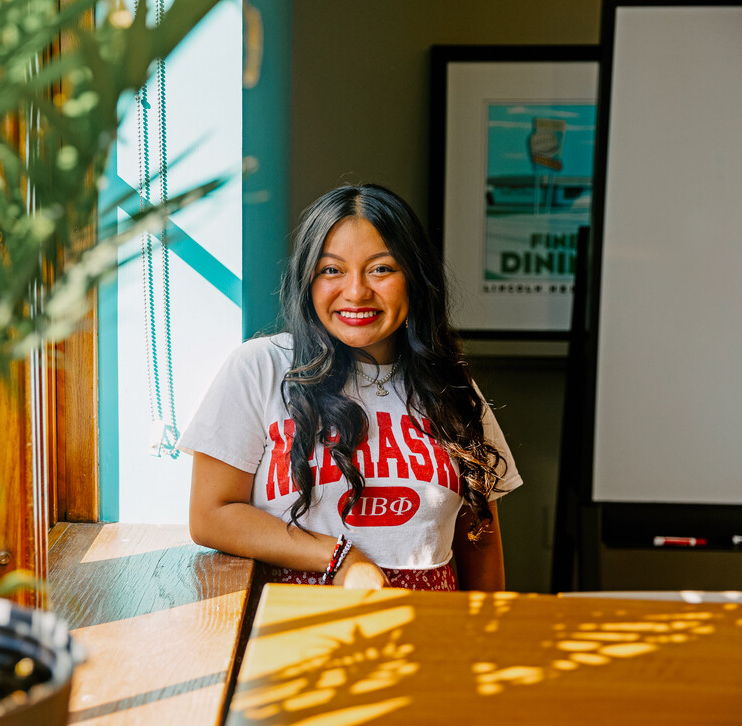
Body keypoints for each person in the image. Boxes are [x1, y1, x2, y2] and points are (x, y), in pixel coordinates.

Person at [178, 184, 522, 591]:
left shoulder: (449, 385)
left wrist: (485, 647)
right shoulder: (261, 367)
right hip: (295, 631)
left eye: (381, 268)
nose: (356, 291)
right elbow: (211, 515)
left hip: (430, 633)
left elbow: (479, 538)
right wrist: (341, 558)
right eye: (332, 270)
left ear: (414, 277)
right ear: (307, 280)